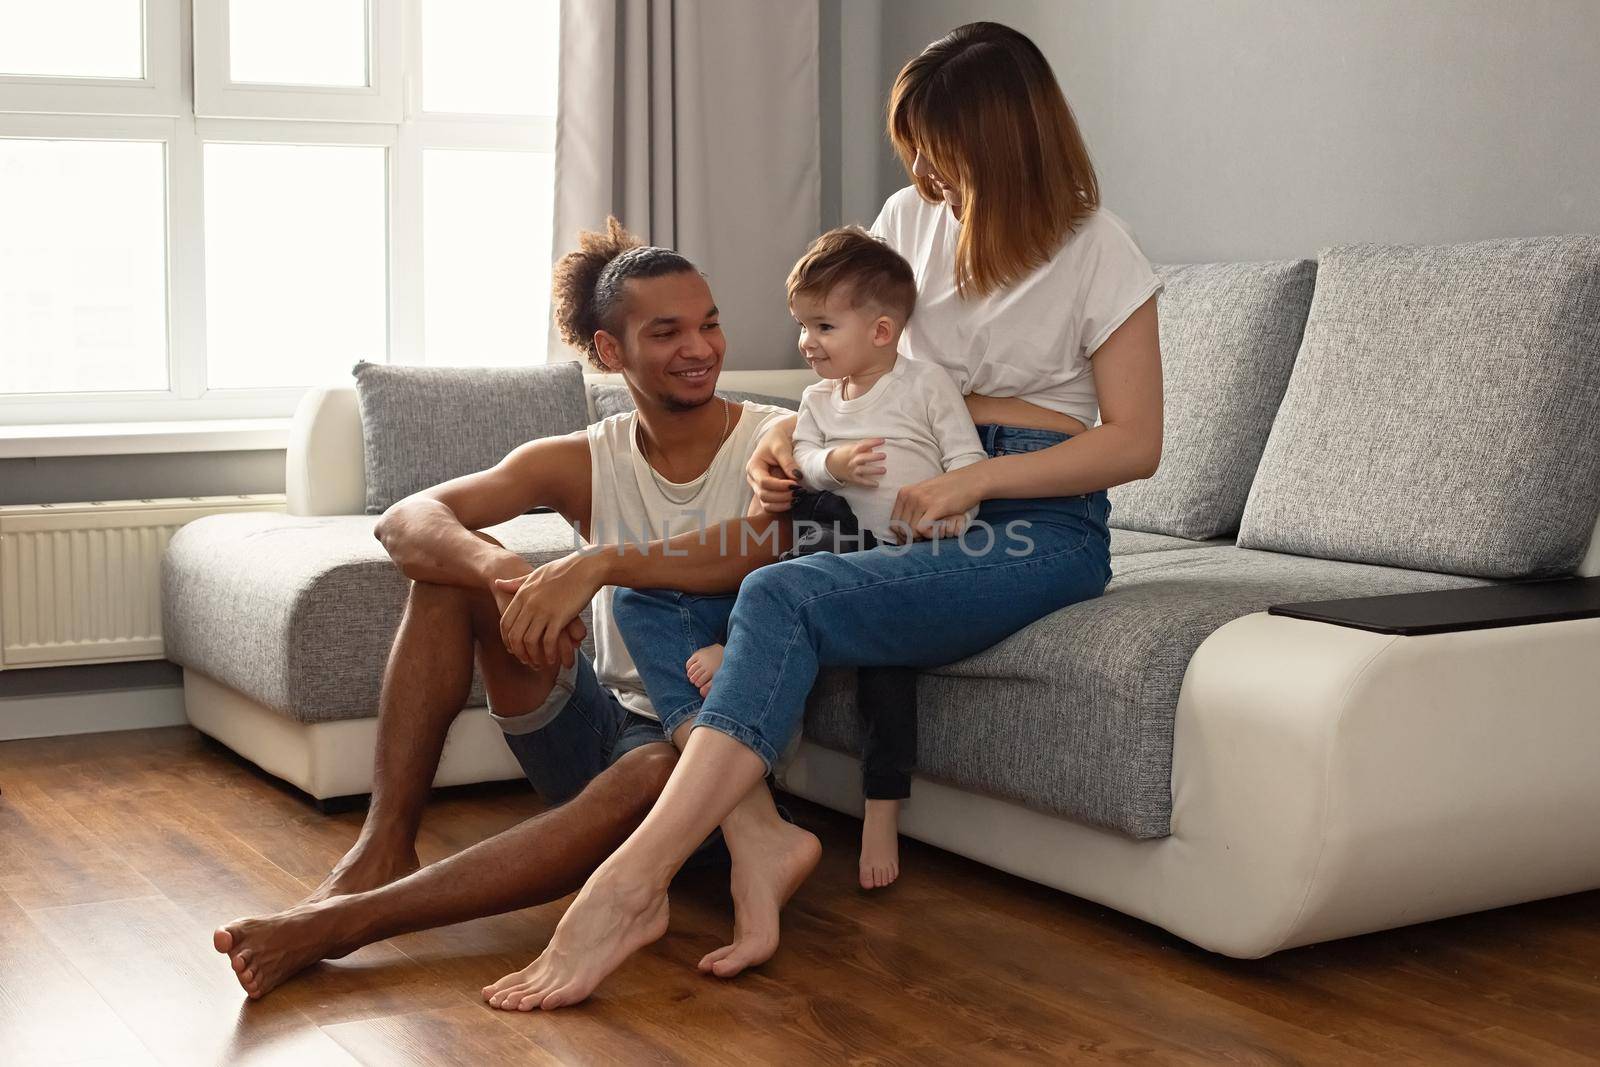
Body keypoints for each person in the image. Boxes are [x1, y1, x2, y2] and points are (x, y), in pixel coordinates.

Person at [472, 20, 1165, 1012]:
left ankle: (629, 882)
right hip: (884, 483)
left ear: (1004, 136)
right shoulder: (908, 217)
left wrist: (975, 484)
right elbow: (851, 359)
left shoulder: (1099, 247)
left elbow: (1135, 441)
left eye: (938, 140)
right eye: (913, 140)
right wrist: (787, 446)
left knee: (782, 593)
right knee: (650, 592)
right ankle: (757, 833)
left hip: (1034, 517)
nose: (921, 163)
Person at [210, 217, 818, 1000]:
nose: (699, 348)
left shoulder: (775, 440)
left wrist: (595, 562)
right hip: (602, 719)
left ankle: (345, 924)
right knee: (446, 577)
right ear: (610, 351)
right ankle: (383, 845)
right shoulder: (583, 457)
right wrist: (507, 571)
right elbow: (408, 519)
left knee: (656, 767)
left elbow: (759, 547)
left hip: (715, 756)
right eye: (667, 332)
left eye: (709, 325)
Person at [674, 225, 987, 890]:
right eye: (801, 325)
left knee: (886, 670)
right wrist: (829, 463)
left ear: (879, 331)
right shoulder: (817, 401)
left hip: (903, 556)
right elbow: (807, 461)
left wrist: (956, 512)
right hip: (840, 540)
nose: (805, 342)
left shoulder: (924, 386)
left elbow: (966, 462)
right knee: (804, 508)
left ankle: (881, 810)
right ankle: (743, 638)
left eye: (821, 326)